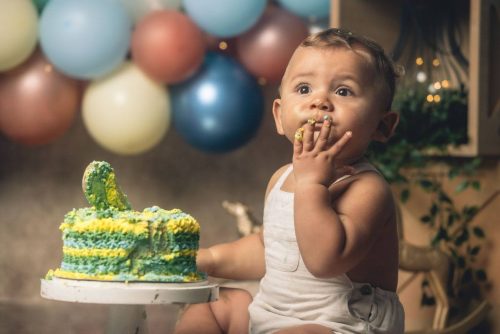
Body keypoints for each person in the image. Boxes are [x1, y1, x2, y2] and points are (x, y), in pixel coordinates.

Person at [175, 28, 404, 334]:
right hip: (271, 318)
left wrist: (312, 186)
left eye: (343, 91)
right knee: (213, 303)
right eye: (305, 88)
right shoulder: (281, 179)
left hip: (340, 325)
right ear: (280, 116)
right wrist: (211, 259)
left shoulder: (367, 189)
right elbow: (268, 248)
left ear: (382, 126)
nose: (320, 102)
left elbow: (324, 261)